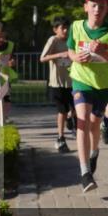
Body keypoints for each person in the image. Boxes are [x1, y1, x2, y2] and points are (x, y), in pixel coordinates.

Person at [67, 0, 108, 193]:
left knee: (94, 124)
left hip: (104, 86)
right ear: (85, 7)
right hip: (81, 80)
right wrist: (76, 58)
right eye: (93, 5)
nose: (97, 9)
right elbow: (70, 50)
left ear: (106, 9)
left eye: (101, 6)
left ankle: (94, 152)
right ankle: (85, 173)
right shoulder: (75, 27)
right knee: (82, 120)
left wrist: (103, 53)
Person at [40, 16, 74, 153]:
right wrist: (60, 55)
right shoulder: (52, 40)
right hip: (57, 83)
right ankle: (60, 138)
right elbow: (42, 58)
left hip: (71, 81)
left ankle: (70, 120)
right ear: (55, 29)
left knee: (76, 109)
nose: (65, 30)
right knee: (62, 111)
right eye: (62, 28)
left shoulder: (72, 40)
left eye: (67, 27)